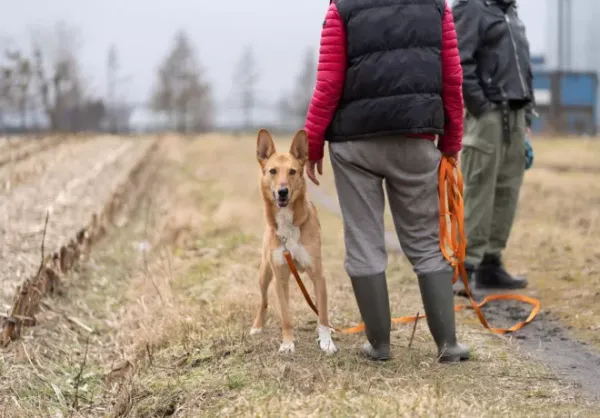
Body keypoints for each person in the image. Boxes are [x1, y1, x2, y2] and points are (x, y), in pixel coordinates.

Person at [303, 0, 468, 363]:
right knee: (426, 242)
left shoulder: (342, 8)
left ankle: (379, 346)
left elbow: (328, 83)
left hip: (354, 145)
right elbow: (453, 78)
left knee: (363, 241)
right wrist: (452, 142)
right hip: (417, 137)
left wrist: (312, 143)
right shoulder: (436, 8)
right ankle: (448, 345)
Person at [451, 0, 534, 297]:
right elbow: (459, 60)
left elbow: (523, 65)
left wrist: (527, 112)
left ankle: (490, 263)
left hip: (515, 113)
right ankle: (464, 268)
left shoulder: (510, 11)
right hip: (487, 115)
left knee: (507, 188)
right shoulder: (471, 7)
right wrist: (480, 107)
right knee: (478, 188)